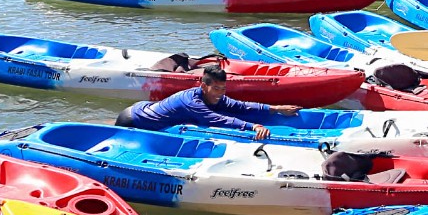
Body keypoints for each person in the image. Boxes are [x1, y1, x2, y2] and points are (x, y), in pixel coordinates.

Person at [113, 63, 299, 139]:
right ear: (204, 86)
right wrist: (253, 127)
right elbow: (218, 119)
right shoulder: (193, 102)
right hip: (134, 119)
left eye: (223, 88)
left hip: (144, 109)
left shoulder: (213, 96)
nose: (220, 93)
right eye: (216, 89)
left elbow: (239, 106)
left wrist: (276, 108)